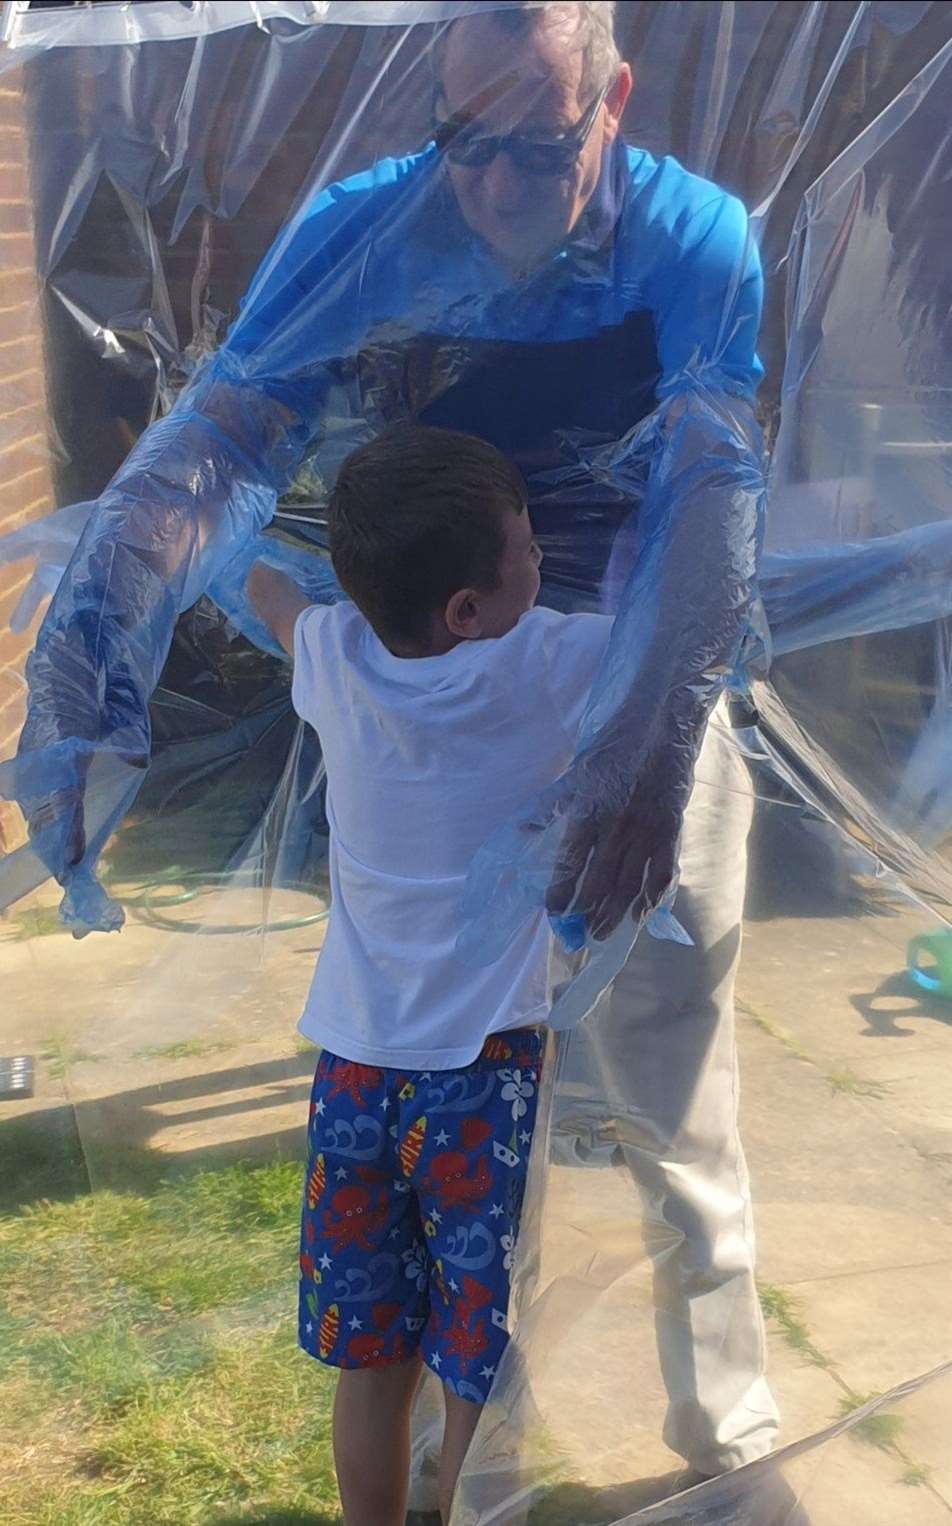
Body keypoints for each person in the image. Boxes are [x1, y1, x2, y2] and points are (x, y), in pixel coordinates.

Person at [0, 0, 777, 1482]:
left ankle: (726, 1457)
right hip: (446, 726)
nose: (485, 187)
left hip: (637, 697)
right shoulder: (369, 223)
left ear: (617, 97)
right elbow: (219, 439)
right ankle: (471, 1482)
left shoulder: (695, 233)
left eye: (533, 149)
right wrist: (98, 641)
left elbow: (711, 490)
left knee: (674, 1115)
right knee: (486, 1138)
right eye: (456, 141)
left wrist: (652, 743)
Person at [246, 424, 614, 1526]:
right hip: (480, 1076)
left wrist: (192, 525)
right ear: (467, 608)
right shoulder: (543, 662)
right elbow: (698, 629)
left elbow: (263, 593)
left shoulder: (333, 653)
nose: (544, 564)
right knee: (475, 1362)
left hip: (354, 1075)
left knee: (374, 1355)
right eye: (530, 549)